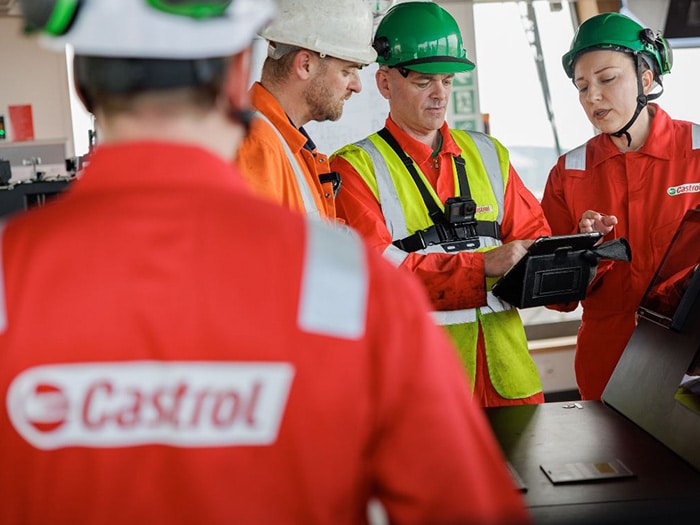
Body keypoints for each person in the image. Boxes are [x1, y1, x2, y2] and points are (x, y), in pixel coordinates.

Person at [0, 1, 531, 523]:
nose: (354, 84)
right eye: (350, 70)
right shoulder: (356, 291)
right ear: (237, 76)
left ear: (82, 87)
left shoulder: (9, 286)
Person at [330, 1, 551, 408]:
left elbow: (535, 243)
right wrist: (482, 265)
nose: (439, 95)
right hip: (421, 393)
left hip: (511, 383)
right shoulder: (355, 168)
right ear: (384, 82)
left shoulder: (490, 155)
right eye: (423, 83)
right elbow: (375, 276)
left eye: (447, 81)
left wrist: (580, 252)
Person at [541, 12, 700, 400]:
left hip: (691, 361)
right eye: (582, 86)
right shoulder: (569, 173)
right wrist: (581, 250)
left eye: (607, 79)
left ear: (646, 79)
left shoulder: (698, 154)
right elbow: (556, 297)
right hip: (605, 365)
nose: (592, 96)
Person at [235, 0, 376, 220]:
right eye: (347, 71)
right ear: (305, 65)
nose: (357, 86)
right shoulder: (257, 146)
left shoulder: (287, 145)